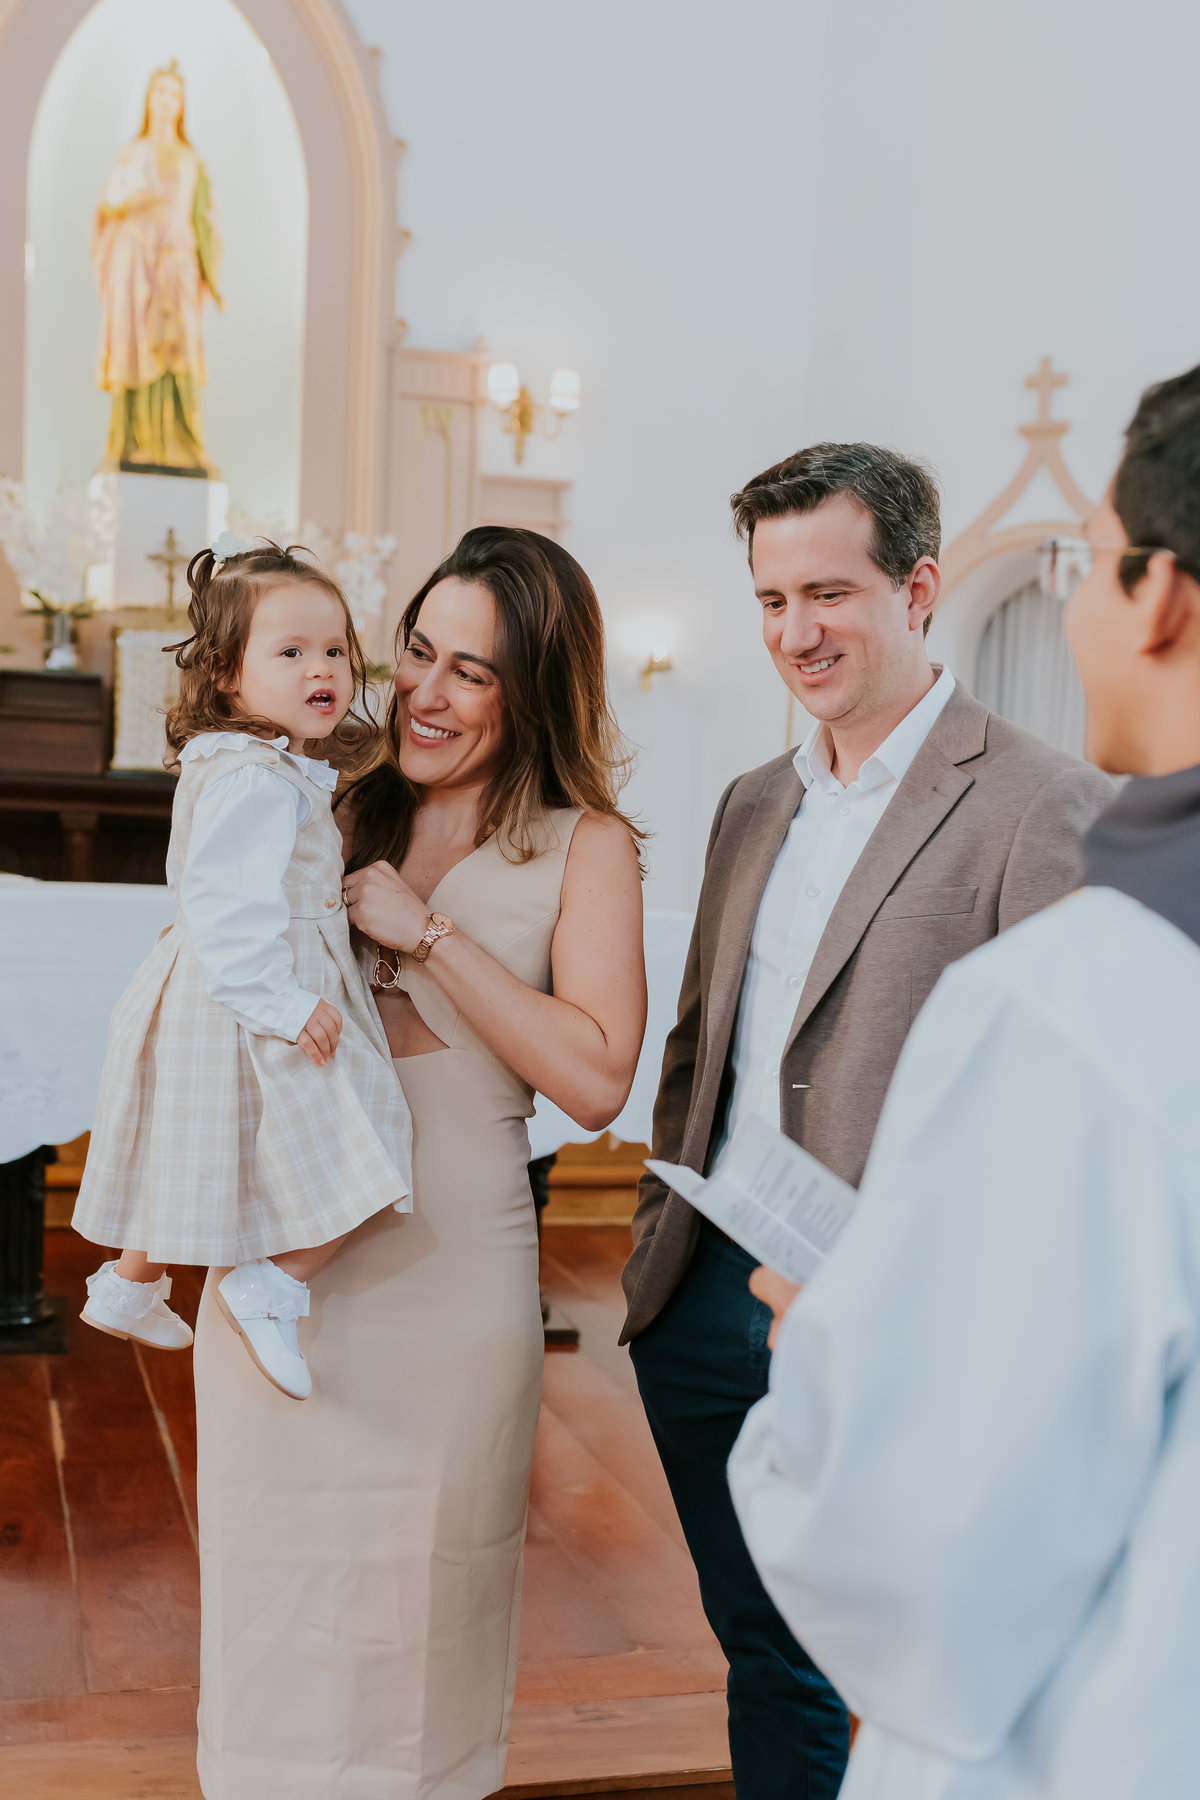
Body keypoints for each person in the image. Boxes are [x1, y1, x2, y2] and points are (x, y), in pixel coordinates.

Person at [728, 365, 1200, 1798]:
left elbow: (920, 1568)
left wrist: (843, 1344)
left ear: (1162, 596)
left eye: (1092, 566)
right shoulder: (755, 798)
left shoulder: (1091, 1008)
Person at [621, 444, 1114, 1799]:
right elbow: (698, 1051)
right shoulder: (748, 804)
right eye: (773, 600)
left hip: (896, 1312)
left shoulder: (1038, 800)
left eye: (828, 593)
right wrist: (660, 1251)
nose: (797, 633)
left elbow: (1070, 1102)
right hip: (711, 1298)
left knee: (892, 1664)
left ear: (920, 588)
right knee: (763, 1650)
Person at [192, 525, 647, 1800]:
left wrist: (425, 931)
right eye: (419, 654)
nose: (427, 696)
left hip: (451, 1283)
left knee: (421, 1615)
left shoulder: (583, 844)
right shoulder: (325, 801)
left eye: (474, 674)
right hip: (289, 1264)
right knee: (271, 1602)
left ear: (539, 688)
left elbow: (599, 1079)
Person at [73, 536, 411, 1401]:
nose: (320, 669)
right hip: (252, 991)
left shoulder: (250, 765)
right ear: (227, 674)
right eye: (290, 652)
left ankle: (129, 1283)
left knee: (196, 1148)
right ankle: (273, 1282)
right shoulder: (255, 780)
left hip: (221, 990)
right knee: (373, 1135)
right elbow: (224, 907)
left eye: (334, 649)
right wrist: (287, 1005)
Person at [93, 61, 221, 472]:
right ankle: (133, 442)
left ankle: (181, 443)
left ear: (182, 105)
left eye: (174, 94)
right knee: (136, 346)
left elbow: (205, 217)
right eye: (159, 92)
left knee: (178, 347)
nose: (166, 101)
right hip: (135, 261)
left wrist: (212, 271)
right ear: (148, 100)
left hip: (177, 261)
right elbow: (108, 205)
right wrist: (133, 203)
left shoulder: (192, 160)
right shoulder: (131, 155)